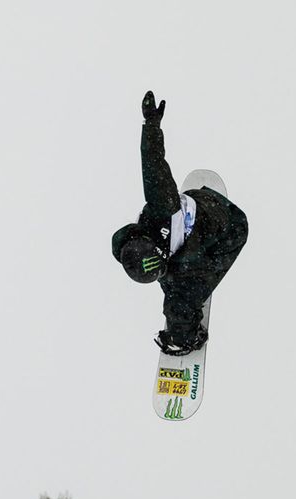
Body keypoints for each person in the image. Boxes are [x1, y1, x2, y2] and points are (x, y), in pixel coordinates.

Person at [112, 91, 249, 355]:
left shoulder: (164, 210)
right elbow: (153, 168)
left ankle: (182, 339)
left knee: (181, 297)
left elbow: (153, 164)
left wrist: (151, 126)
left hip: (229, 231)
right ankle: (174, 293)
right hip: (202, 203)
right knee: (173, 280)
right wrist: (151, 125)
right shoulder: (132, 239)